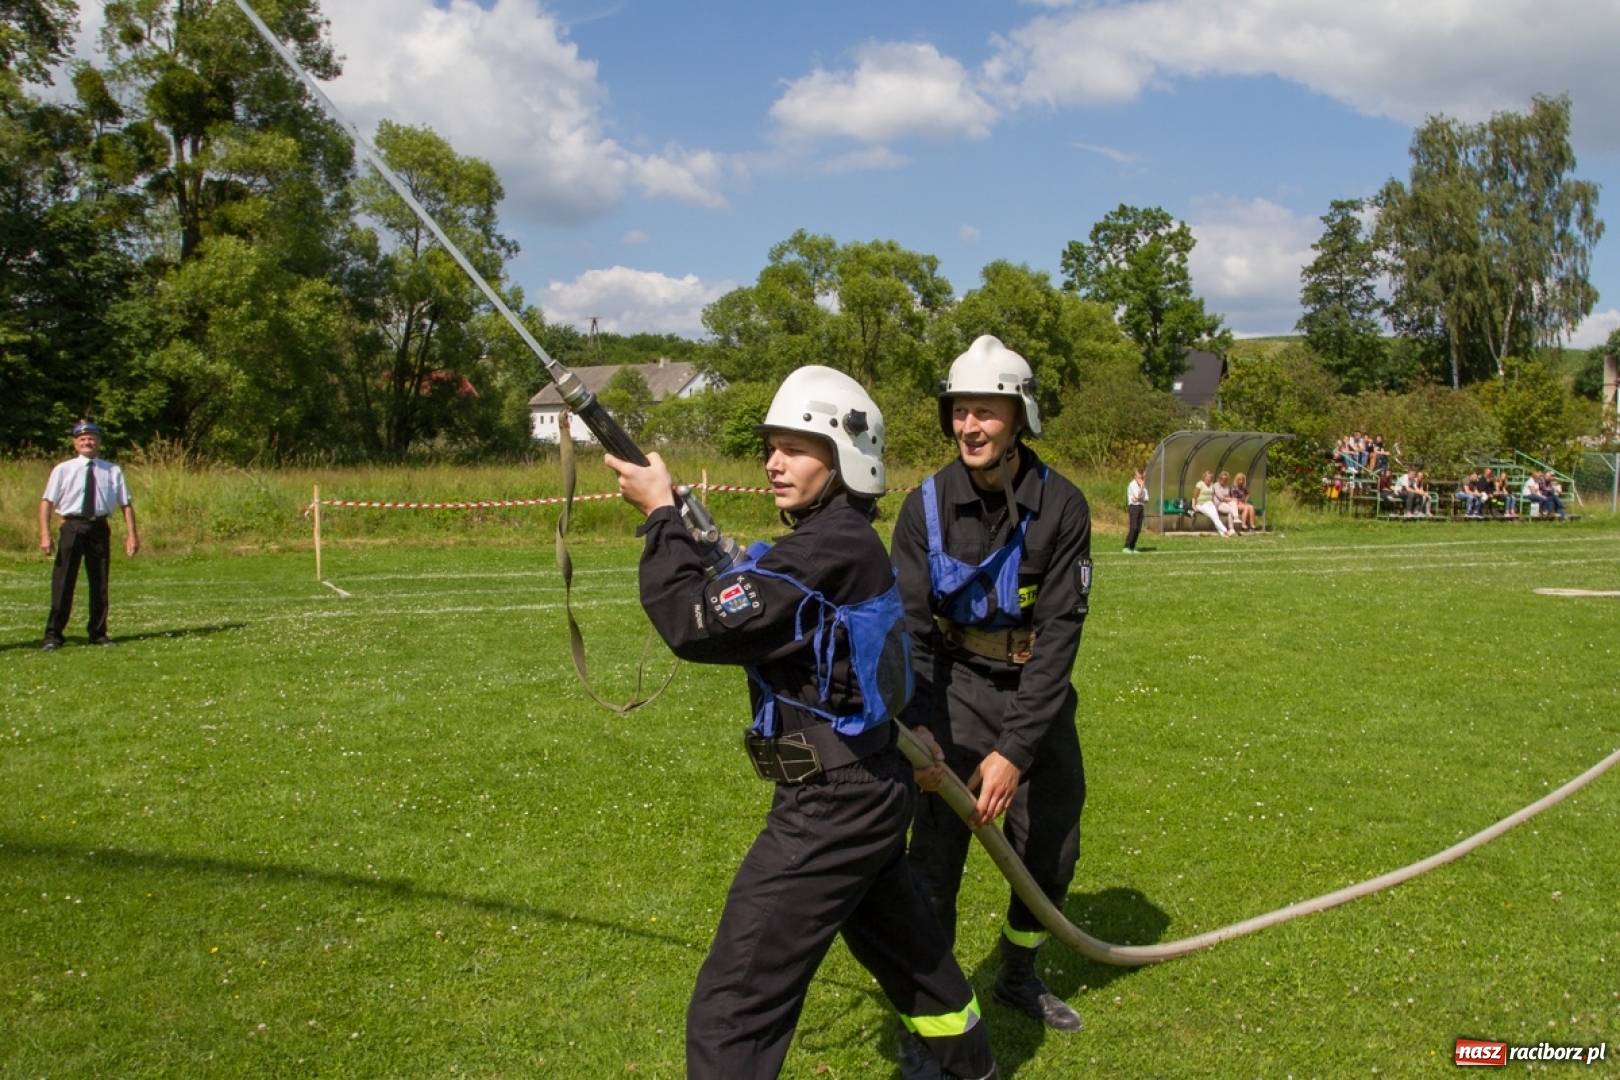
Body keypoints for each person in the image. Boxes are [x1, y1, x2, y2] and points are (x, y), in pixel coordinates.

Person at [604, 366, 998, 1080]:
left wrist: (662, 518)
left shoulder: (828, 548)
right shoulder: (833, 546)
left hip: (833, 805)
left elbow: (694, 625)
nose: (774, 462)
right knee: (919, 967)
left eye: (797, 447)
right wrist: (691, 537)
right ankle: (972, 1070)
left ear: (846, 459)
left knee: (734, 1006)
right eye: (771, 446)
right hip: (868, 787)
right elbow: (865, 652)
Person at [890, 335, 1092, 1038]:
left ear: (1020, 418)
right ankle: (934, 1010)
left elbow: (1061, 633)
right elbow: (909, 629)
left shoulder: (1063, 507)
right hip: (945, 693)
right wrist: (917, 727)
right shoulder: (923, 508)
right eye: (960, 411)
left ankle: (1016, 974)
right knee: (935, 859)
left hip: (1033, 694)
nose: (970, 427)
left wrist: (1014, 747)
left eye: (988, 411)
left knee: (1051, 847)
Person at [39, 420, 139, 650]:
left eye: (92, 438)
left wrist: (132, 535)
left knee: (100, 582)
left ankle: (98, 633)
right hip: (72, 526)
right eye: (82, 439)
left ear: (99, 442)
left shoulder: (112, 470)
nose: (87, 442)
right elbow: (46, 502)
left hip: (99, 527)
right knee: (63, 582)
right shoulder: (63, 469)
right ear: (75, 443)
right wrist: (45, 534)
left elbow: (126, 504)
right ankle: (54, 635)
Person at [1193, 470, 1232, 536]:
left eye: (1210, 477)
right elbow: (1194, 496)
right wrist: (1193, 506)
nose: (1209, 479)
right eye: (1208, 477)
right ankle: (1225, 530)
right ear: (1204, 477)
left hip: (1210, 503)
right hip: (1201, 504)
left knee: (1215, 516)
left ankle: (1223, 534)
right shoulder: (1200, 484)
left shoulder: (1212, 485)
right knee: (1213, 515)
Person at [1123, 467, 1147, 553]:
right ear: (1135, 476)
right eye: (1139, 477)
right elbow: (1137, 495)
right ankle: (1126, 546)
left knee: (1138, 528)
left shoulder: (1144, 486)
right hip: (1133, 507)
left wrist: (1139, 499)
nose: (1141, 479)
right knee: (1133, 527)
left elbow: (1147, 499)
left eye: (1142, 477)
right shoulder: (1132, 485)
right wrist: (1141, 488)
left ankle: (1132, 547)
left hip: (1140, 507)